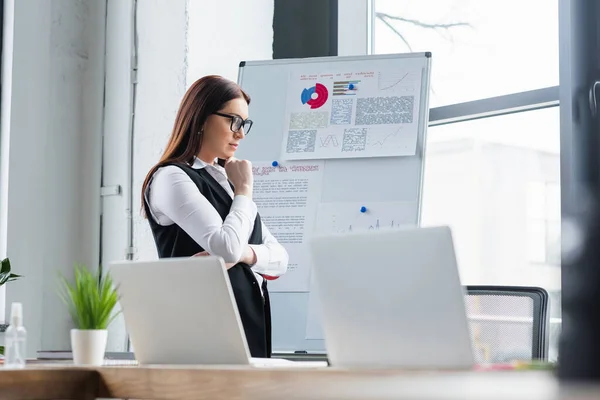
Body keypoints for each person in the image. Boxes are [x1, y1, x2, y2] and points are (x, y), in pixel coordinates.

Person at [140, 75, 289, 358]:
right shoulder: (172, 177)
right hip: (203, 329)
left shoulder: (227, 182)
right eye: (233, 120)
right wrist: (244, 189)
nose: (240, 133)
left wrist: (243, 255)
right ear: (201, 117)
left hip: (249, 324)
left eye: (244, 124)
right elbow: (224, 246)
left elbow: (281, 258)